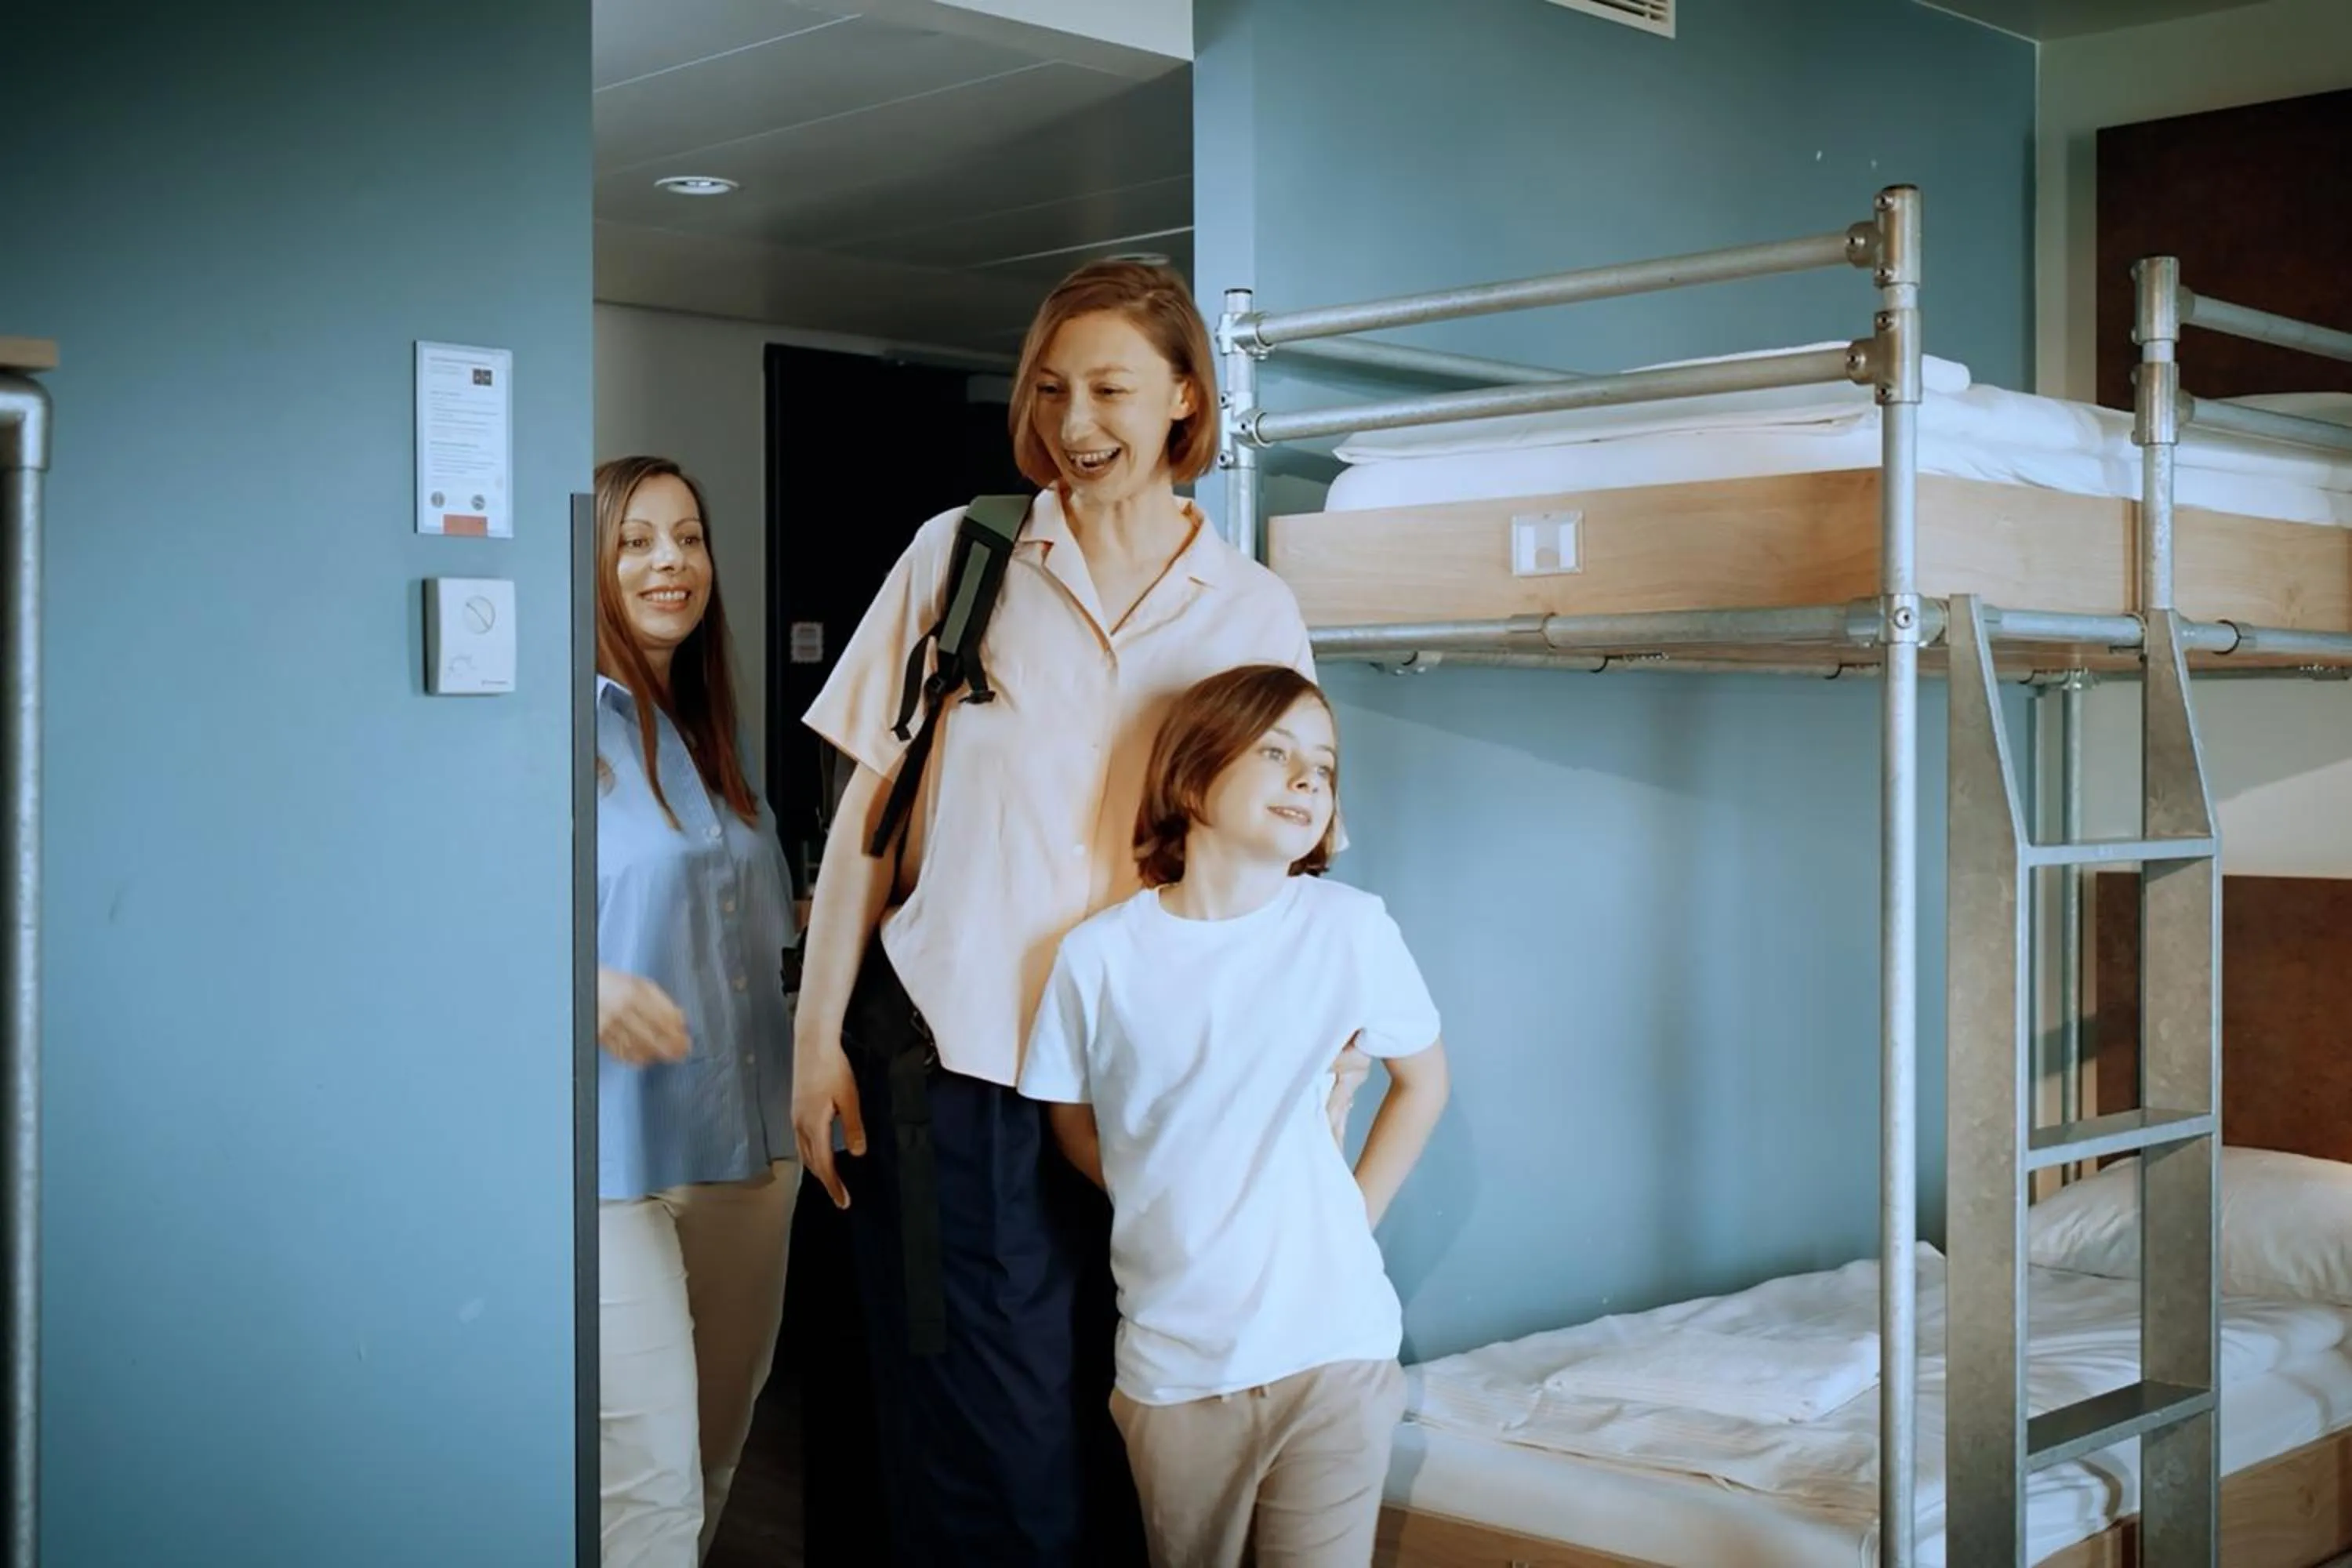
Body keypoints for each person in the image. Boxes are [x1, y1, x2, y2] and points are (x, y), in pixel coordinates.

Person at [793, 259, 1367, 1566]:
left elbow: (1291, 849)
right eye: (1051, 391)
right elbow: (869, 817)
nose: (1074, 424)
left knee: (1136, 1425)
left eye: (1110, 389)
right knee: (990, 1454)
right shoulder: (964, 556)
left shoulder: (1252, 609)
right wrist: (814, 1037)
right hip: (963, 1065)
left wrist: (1323, 1064)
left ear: (1185, 398)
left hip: (1158, 1089)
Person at [1018, 663, 1450, 1568]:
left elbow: (1424, 1083)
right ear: (1191, 776)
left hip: (1336, 1350)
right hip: (1177, 1371)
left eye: (1323, 766)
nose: (1307, 779)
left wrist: (1353, 1212)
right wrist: (1161, 1187)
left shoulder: (1352, 927)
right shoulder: (1097, 957)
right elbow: (1070, 1121)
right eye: (1277, 752)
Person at [591, 455, 799, 1566]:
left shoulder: (717, 728)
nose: (670, 562)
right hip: (614, 1163)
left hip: (750, 1151)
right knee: (649, 1489)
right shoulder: (545, 724)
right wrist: (580, 983)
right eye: (635, 541)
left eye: (688, 537)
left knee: (715, 1458)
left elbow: (747, 922)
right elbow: (452, 922)